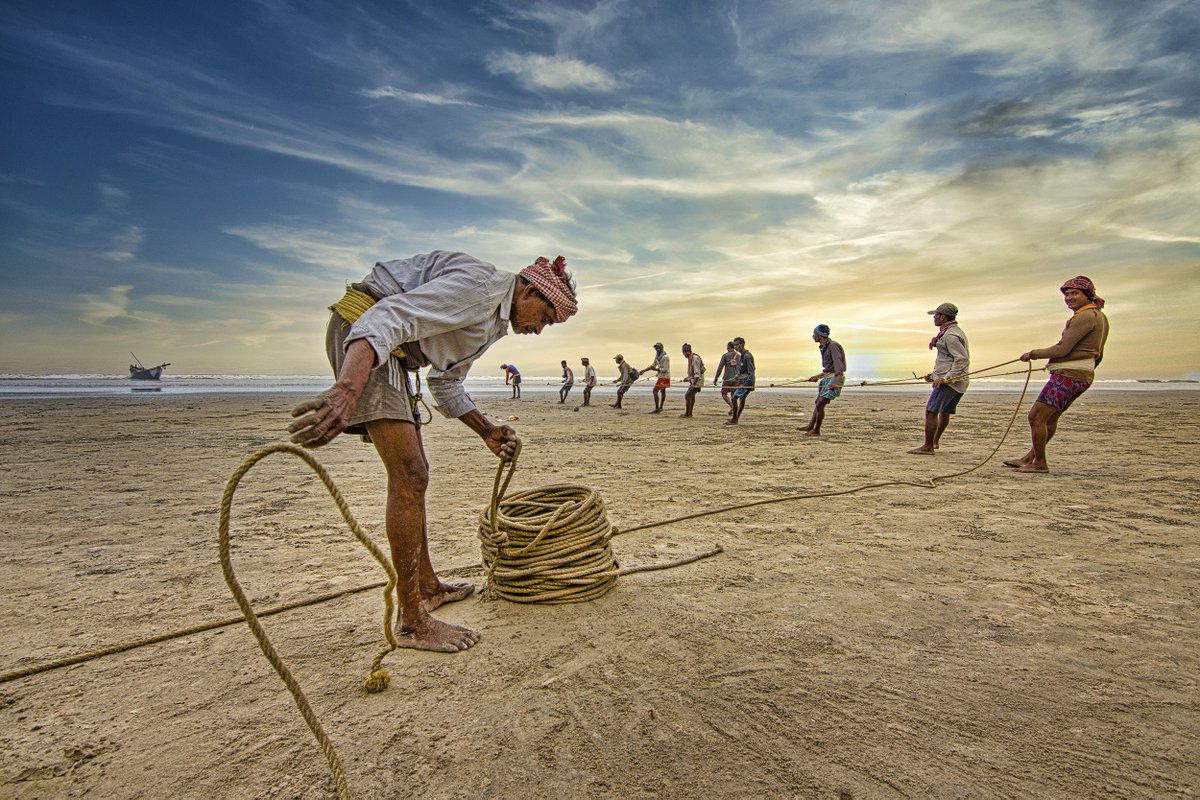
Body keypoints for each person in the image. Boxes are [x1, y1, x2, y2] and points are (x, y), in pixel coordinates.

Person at [288, 251, 577, 652]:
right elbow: (387, 318)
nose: (540, 329)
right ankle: (411, 621)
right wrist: (348, 389)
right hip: (367, 332)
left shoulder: (492, 322)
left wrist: (486, 430)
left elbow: (445, 383)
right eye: (544, 317)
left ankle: (427, 587)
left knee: (415, 472)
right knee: (410, 475)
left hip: (392, 353)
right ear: (527, 291)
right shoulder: (479, 288)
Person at [1005, 276, 1110, 474]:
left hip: (1068, 376)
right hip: (1082, 375)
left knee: (1036, 416)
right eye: (1067, 294)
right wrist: (1084, 370)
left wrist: (1033, 354)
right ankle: (1029, 458)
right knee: (1050, 419)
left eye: (1075, 293)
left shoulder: (1085, 316)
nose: (1069, 297)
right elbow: (1099, 354)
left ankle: (1040, 463)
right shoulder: (1099, 317)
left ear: (1087, 295)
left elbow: (1062, 349)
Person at [909, 302, 970, 455]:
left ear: (943, 317)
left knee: (931, 411)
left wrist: (946, 378)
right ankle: (934, 442)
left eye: (936, 315)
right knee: (944, 411)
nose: (934, 318)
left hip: (951, 382)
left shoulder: (951, 336)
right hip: (957, 381)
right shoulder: (949, 332)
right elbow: (947, 359)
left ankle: (928, 446)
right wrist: (933, 375)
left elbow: (961, 359)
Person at [800, 324, 846, 436]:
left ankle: (816, 430)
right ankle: (810, 426)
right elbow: (828, 369)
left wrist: (836, 383)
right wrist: (817, 376)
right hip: (827, 377)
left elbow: (838, 367)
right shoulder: (824, 347)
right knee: (818, 402)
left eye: (814, 334)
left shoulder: (833, 346)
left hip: (834, 378)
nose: (813, 336)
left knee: (820, 403)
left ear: (820, 335)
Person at [728, 336, 755, 425]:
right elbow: (743, 370)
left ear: (742, 344)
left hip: (747, 382)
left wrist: (746, 384)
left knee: (734, 398)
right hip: (743, 380)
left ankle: (734, 419)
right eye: (734, 345)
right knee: (742, 399)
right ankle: (735, 419)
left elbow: (751, 371)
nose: (735, 347)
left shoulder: (747, 356)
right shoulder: (742, 356)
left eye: (737, 345)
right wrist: (737, 376)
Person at [642, 342, 671, 414]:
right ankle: (660, 407)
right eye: (655, 348)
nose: (656, 349)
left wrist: (656, 370)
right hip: (661, 375)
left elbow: (665, 369)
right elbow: (653, 365)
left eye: (658, 347)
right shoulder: (657, 356)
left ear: (661, 348)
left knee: (655, 391)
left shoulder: (665, 357)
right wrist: (643, 371)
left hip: (664, 376)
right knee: (662, 391)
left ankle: (657, 408)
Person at [712, 341, 739, 414]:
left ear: (728, 348)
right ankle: (734, 408)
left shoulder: (725, 356)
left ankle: (732, 407)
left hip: (727, 378)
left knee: (724, 394)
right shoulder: (739, 356)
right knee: (733, 395)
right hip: (736, 379)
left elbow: (720, 367)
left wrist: (716, 378)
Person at [680, 343, 705, 418]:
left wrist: (693, 384)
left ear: (690, 351)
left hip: (697, 381)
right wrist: (687, 378)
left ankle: (687, 413)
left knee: (687, 396)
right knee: (692, 396)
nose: (685, 354)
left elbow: (697, 374)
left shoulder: (695, 358)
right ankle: (689, 413)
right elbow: (692, 373)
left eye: (686, 351)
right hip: (694, 380)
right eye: (683, 352)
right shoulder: (690, 359)